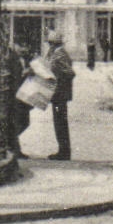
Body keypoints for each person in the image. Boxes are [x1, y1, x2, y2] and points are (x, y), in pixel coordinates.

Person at [45, 31, 74, 161]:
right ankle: (63, 150)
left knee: (60, 123)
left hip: (60, 95)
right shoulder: (57, 54)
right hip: (58, 94)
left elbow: (70, 72)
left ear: (54, 43)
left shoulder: (60, 54)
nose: (49, 46)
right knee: (59, 122)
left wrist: (58, 81)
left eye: (50, 43)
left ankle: (64, 152)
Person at [6, 40, 34, 158]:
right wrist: (23, 74)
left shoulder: (27, 59)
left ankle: (10, 144)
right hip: (15, 96)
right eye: (21, 45)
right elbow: (13, 77)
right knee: (17, 122)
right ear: (15, 46)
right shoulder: (11, 59)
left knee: (25, 122)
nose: (24, 49)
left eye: (26, 46)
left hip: (24, 96)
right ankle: (14, 149)